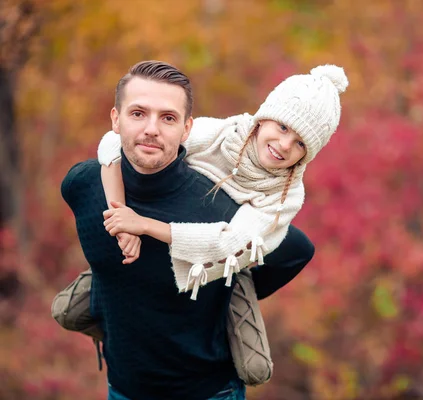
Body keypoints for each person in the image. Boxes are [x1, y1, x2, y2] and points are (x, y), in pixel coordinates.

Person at [61, 60, 317, 400]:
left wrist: (231, 278)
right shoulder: (82, 185)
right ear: (115, 119)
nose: (151, 128)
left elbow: (296, 248)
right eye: (138, 113)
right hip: (122, 389)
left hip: (209, 391)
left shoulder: (220, 211)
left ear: (186, 129)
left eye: (167, 118)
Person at [98, 63, 348, 299]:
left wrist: (143, 225)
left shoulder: (287, 195)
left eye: (300, 143)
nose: (284, 145)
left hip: (222, 251)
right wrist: (121, 218)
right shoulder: (223, 134)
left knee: (296, 249)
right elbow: (112, 141)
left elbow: (230, 242)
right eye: (282, 128)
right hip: (174, 202)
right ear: (262, 119)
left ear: (307, 155)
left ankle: (234, 299)